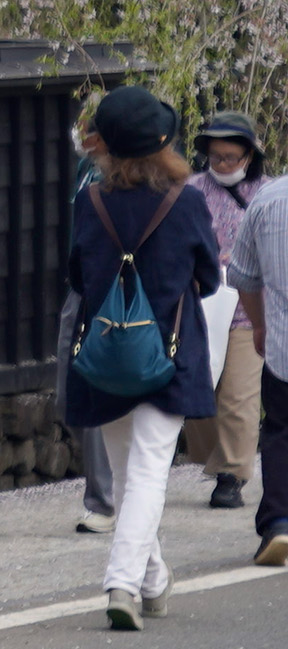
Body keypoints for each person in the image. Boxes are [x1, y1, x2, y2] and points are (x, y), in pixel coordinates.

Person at [64, 85, 222, 628]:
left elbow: (78, 277)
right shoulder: (188, 201)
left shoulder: (91, 201)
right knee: (150, 473)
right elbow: (209, 278)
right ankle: (123, 582)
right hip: (168, 354)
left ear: (105, 146)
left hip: (104, 357)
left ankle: (151, 579)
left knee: (130, 473)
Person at [185, 116, 264, 512]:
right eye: (216, 157)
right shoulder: (190, 190)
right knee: (201, 389)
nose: (222, 164)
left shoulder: (267, 193)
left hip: (249, 306)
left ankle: (231, 475)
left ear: (249, 155)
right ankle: (215, 460)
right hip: (201, 303)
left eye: (231, 157)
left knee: (239, 393)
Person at [221, 122, 288, 567]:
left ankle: (280, 524)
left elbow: (241, 274)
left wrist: (261, 325)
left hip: (284, 347)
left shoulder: (269, 198)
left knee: (282, 432)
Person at [66, 106, 123, 534]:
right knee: (74, 389)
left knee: (105, 393)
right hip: (82, 289)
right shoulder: (86, 174)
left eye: (90, 133)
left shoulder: (121, 181)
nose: (82, 139)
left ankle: (107, 501)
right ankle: (105, 496)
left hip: (119, 295)